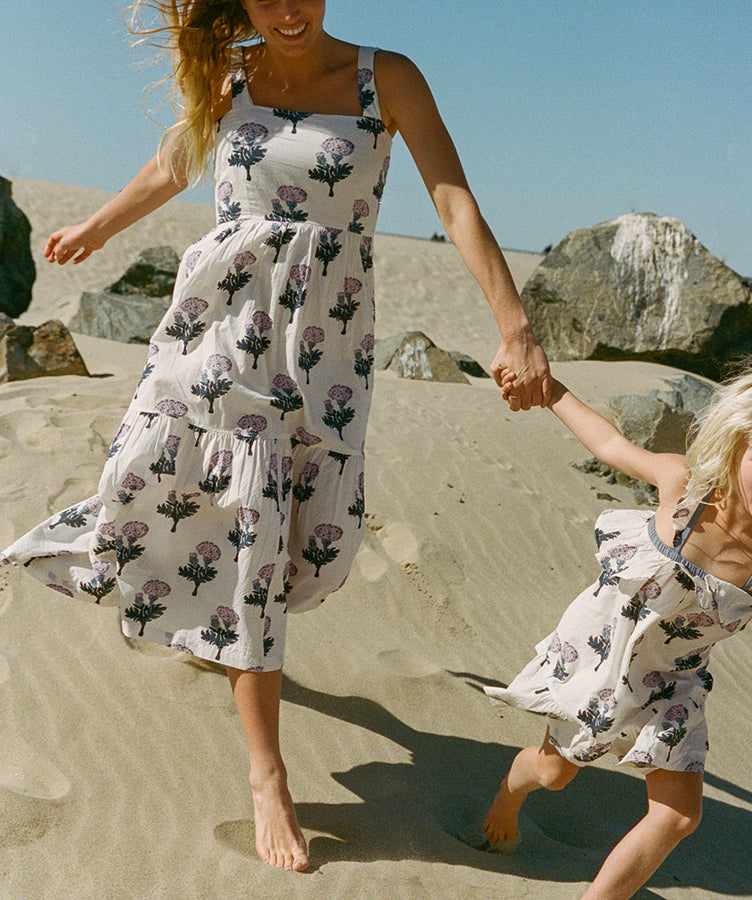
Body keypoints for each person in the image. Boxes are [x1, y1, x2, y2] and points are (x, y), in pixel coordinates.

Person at [0, 0, 551, 874]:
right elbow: (176, 161)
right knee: (207, 497)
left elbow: (453, 202)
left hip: (325, 336)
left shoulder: (385, 78)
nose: (288, 10)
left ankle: (217, 621)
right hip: (219, 319)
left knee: (293, 535)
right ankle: (267, 772)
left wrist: (513, 326)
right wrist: (98, 226)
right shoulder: (229, 72)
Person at [482, 362, 752, 900]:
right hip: (607, 654)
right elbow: (608, 443)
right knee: (554, 773)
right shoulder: (682, 487)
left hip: (675, 681)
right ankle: (508, 796)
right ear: (733, 451)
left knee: (678, 816)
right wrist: (549, 390)